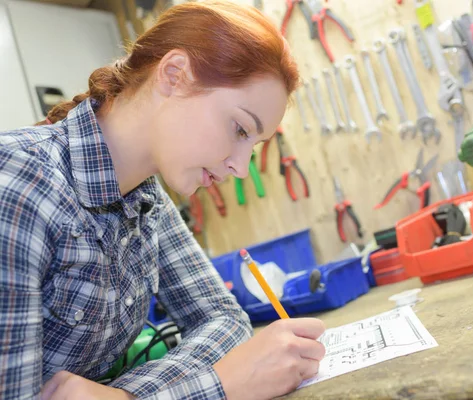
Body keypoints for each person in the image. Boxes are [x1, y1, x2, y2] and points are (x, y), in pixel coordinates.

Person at [0, 1, 326, 399]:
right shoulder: (18, 185)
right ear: (174, 75)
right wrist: (221, 386)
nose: (241, 169)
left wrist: (126, 395)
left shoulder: (146, 195)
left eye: (253, 147)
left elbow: (223, 318)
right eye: (240, 129)